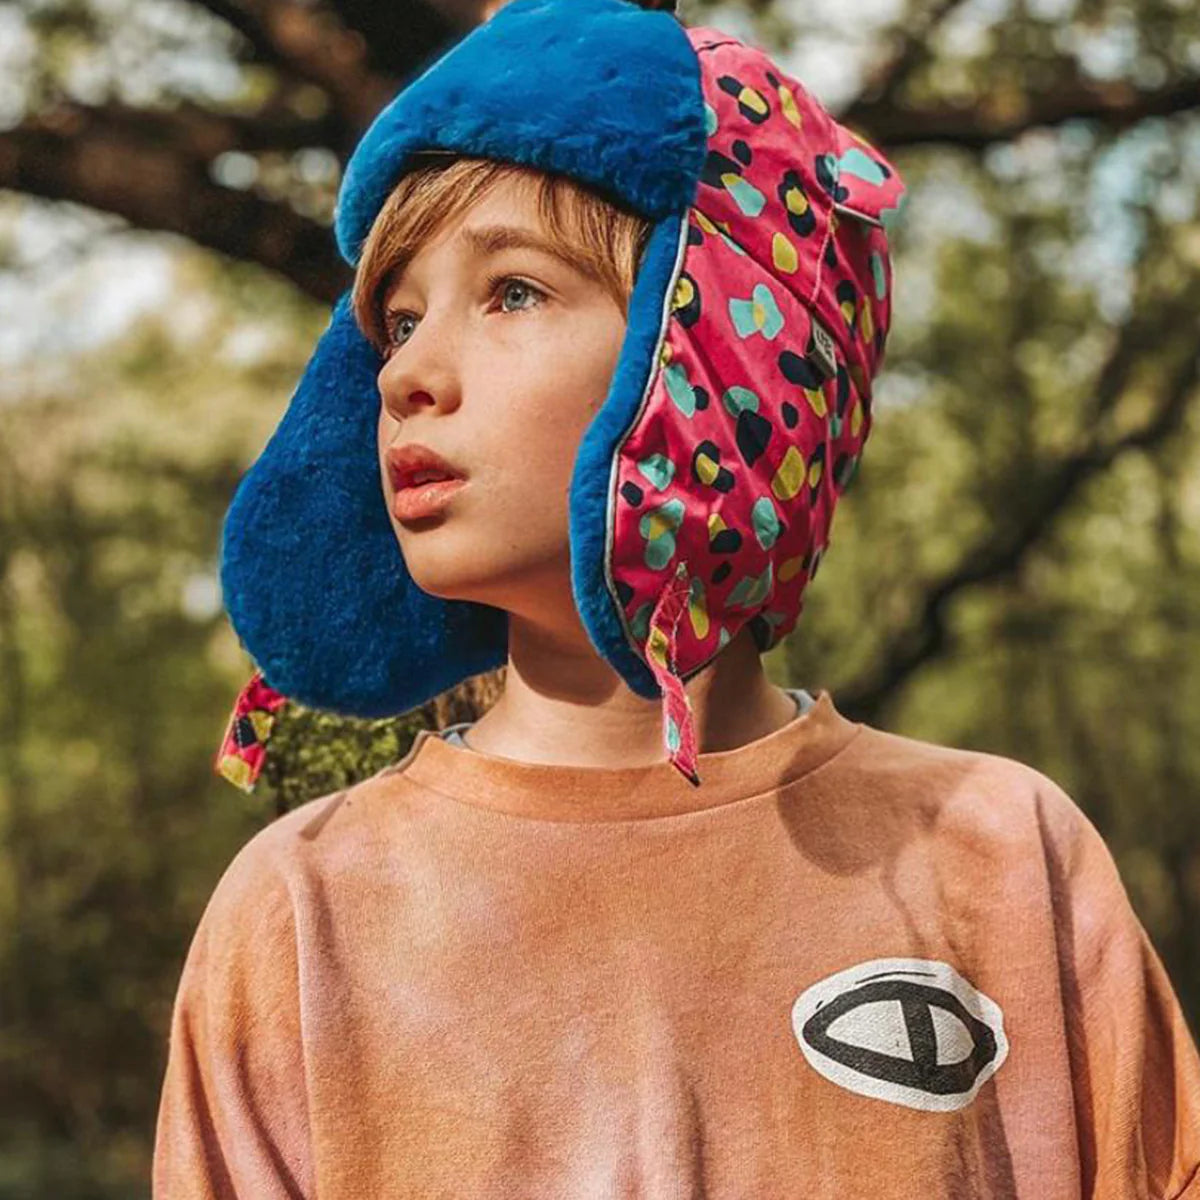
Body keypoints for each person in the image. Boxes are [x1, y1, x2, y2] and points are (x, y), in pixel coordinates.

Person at [153, 0, 1200, 1194]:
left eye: (513, 293)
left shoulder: (1001, 855)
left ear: (712, 354)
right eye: (396, 321)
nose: (410, 375)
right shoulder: (304, 913)